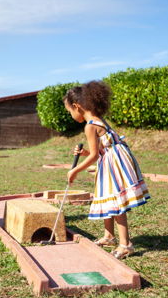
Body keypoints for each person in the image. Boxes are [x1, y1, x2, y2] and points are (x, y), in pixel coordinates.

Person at [64, 80, 150, 259]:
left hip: (113, 164)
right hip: (112, 160)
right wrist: (84, 152)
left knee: (117, 202)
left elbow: (95, 156)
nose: (70, 115)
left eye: (69, 111)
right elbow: (102, 148)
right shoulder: (98, 120)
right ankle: (109, 236)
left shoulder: (90, 126)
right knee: (107, 198)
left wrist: (75, 170)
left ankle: (125, 244)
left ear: (76, 106)